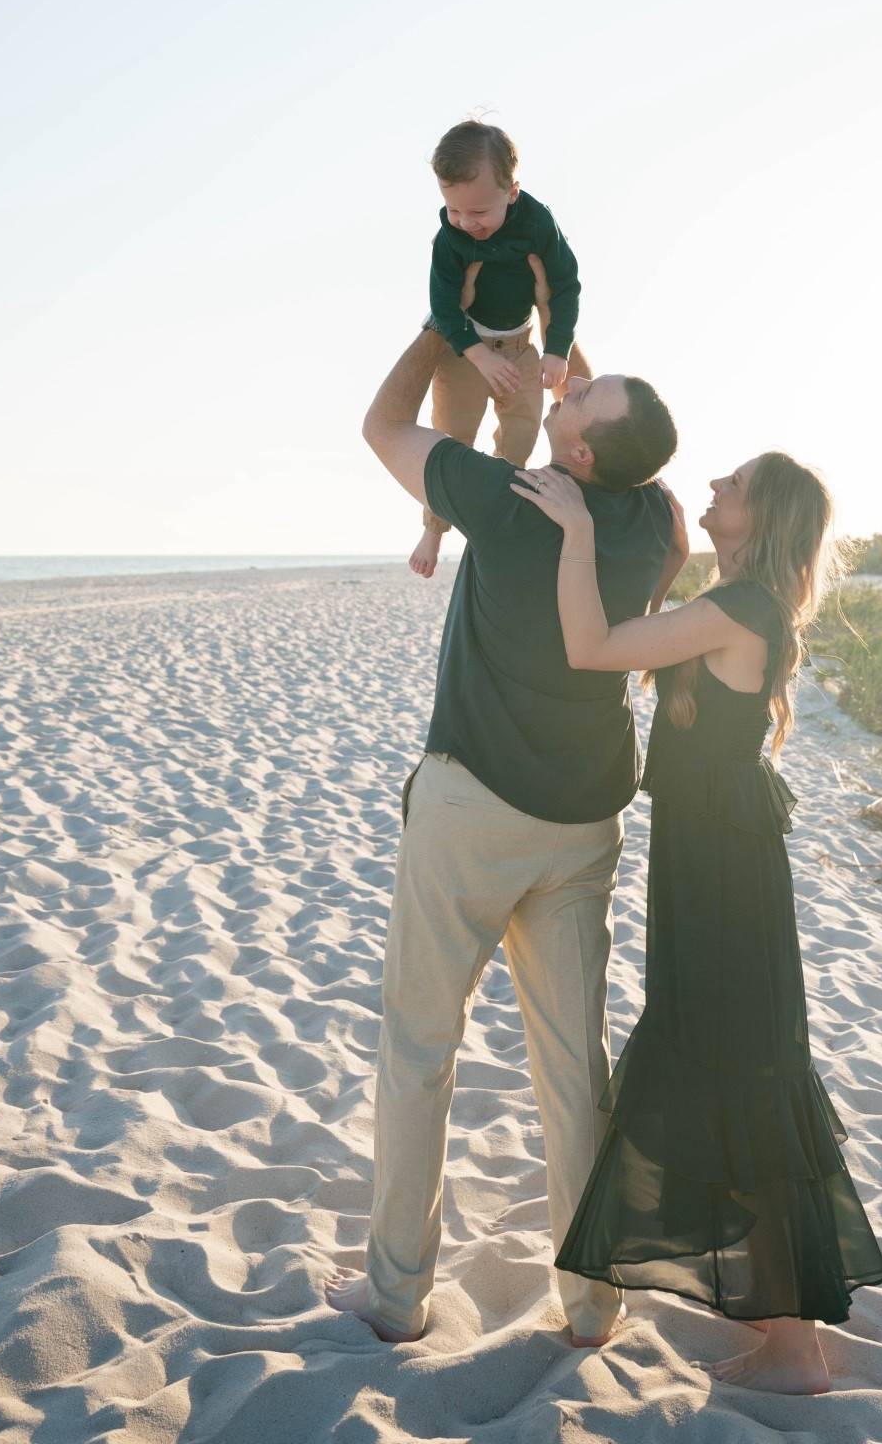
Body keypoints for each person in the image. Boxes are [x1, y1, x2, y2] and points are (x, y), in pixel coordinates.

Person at [326, 325, 685, 1347]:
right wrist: (557, 367)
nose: (565, 392)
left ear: (577, 454)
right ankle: (591, 1302)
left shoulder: (507, 498)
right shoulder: (656, 514)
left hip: (474, 809)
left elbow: (382, 425)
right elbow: (628, 453)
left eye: (578, 399)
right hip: (582, 824)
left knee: (418, 1046)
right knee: (574, 1068)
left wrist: (443, 325)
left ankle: (398, 1291)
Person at [512, 451, 882, 1395]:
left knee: (742, 1071)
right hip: (711, 863)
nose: (713, 484)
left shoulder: (738, 610)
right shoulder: (733, 604)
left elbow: (593, 648)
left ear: (759, 520)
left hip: (722, 875)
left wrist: (577, 532)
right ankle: (777, 1329)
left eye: (733, 485)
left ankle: (795, 1347)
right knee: (730, 1064)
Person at [410, 117, 590, 581]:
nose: (467, 224)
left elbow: (565, 286)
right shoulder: (450, 238)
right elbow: (444, 306)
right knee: (453, 439)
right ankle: (434, 526)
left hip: (522, 345)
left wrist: (557, 350)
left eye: (479, 212)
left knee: (522, 435)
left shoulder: (537, 222)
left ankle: (494, 517)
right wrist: (478, 354)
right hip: (467, 349)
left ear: (512, 191)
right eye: (455, 210)